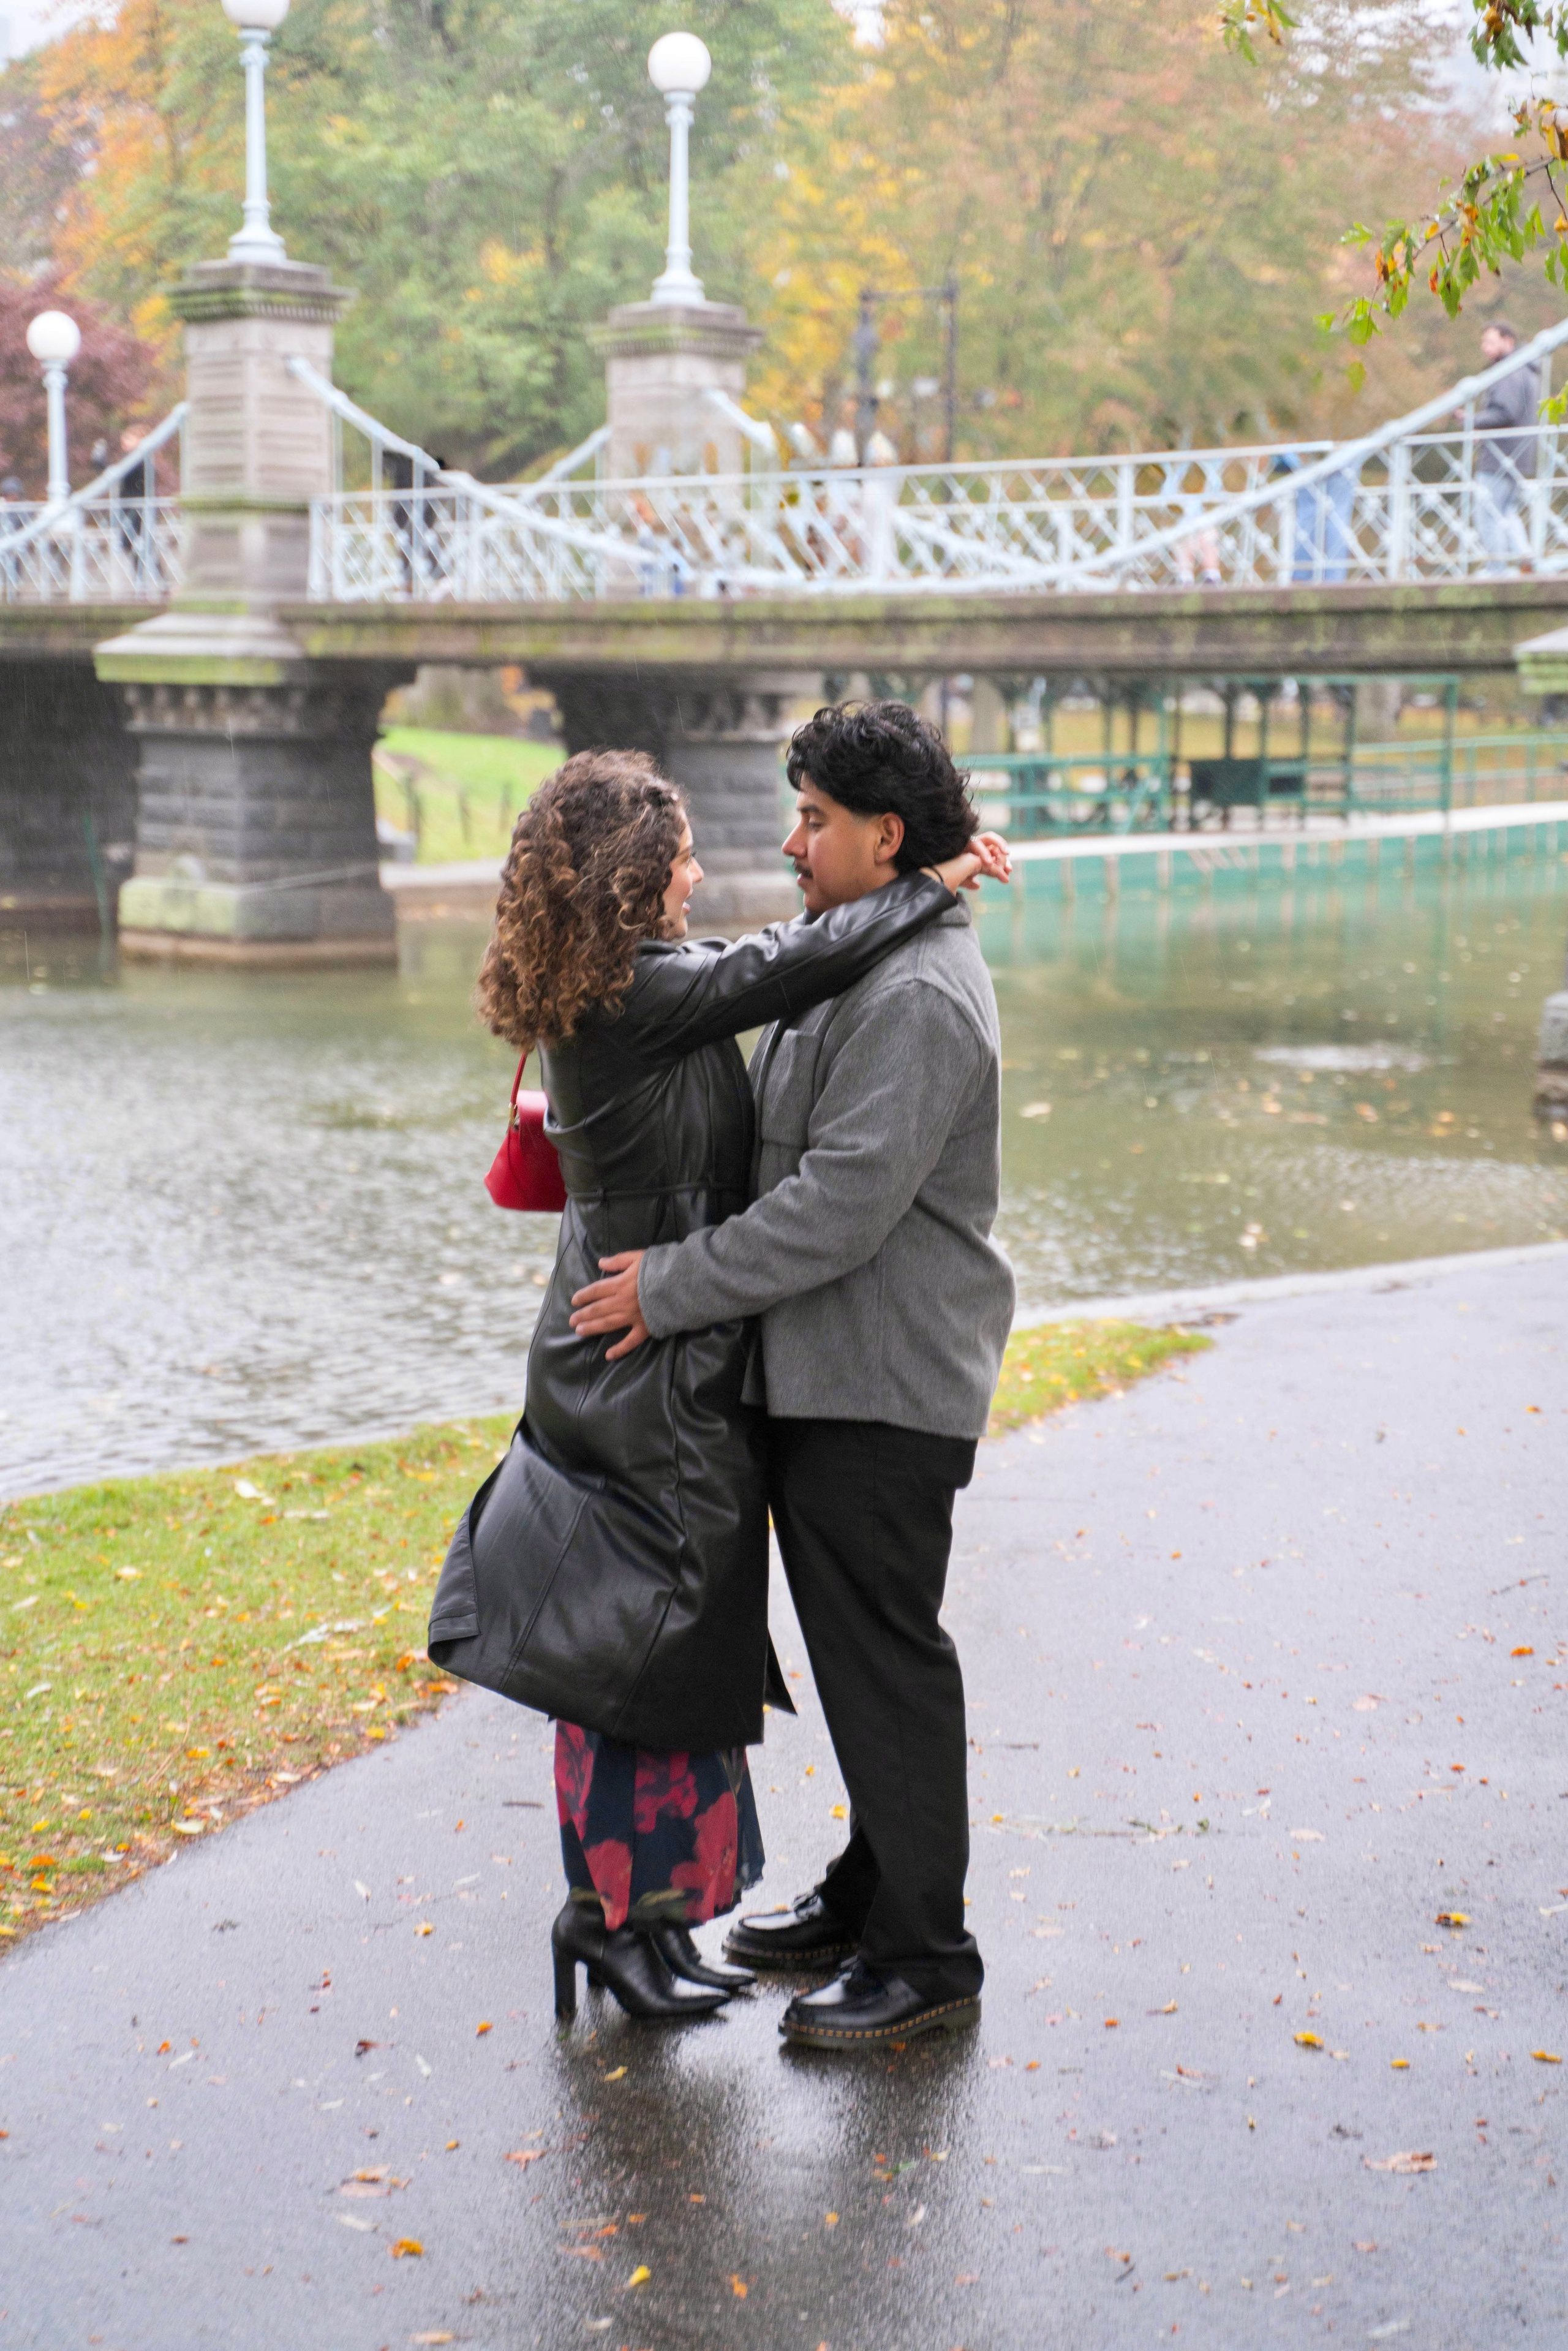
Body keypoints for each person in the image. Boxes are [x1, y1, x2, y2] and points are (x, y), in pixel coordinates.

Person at [426, 747, 1007, 2026]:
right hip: (640, 1360)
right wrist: (934, 880)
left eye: (811, 822)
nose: (726, 861)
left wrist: (922, 887)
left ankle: (766, 1922)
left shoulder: (648, 983)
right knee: (629, 1649)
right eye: (681, 850)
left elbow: (811, 1101)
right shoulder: (638, 991)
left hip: (688, 1352)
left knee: (682, 1647)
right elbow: (776, 966)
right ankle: (620, 1916)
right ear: (635, 879)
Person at [1472, 320, 1537, 576]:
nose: (1485, 347)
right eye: (1484, 342)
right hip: (1517, 455)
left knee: (1487, 512)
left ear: (1508, 341)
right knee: (1506, 510)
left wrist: (1472, 420)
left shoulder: (1509, 371)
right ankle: (1527, 560)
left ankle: (1496, 569)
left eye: (1491, 341)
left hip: (1501, 456)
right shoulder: (1526, 369)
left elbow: (1505, 411)